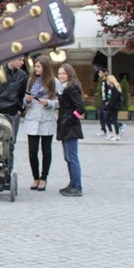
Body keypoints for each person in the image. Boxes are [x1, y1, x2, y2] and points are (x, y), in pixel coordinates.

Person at [22, 56, 58, 191]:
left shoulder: (54, 82)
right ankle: (35, 177)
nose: (36, 69)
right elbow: (24, 101)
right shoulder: (30, 82)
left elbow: (59, 101)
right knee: (32, 151)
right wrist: (27, 100)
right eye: (35, 66)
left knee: (46, 150)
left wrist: (49, 102)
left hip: (46, 118)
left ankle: (44, 178)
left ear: (45, 68)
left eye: (39, 66)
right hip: (33, 117)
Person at [56, 63, 85, 197]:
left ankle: (77, 186)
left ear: (69, 74)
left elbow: (81, 108)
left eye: (63, 73)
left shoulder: (72, 88)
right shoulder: (64, 88)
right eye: (60, 73)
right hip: (64, 124)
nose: (61, 76)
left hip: (70, 126)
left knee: (72, 157)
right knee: (67, 157)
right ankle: (72, 183)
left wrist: (70, 120)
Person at [104, 74, 123, 141]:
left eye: (107, 80)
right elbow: (109, 97)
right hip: (110, 106)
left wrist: (108, 106)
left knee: (114, 120)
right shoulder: (110, 88)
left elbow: (114, 99)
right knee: (106, 118)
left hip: (114, 107)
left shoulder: (115, 88)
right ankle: (111, 133)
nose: (107, 82)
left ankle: (117, 135)